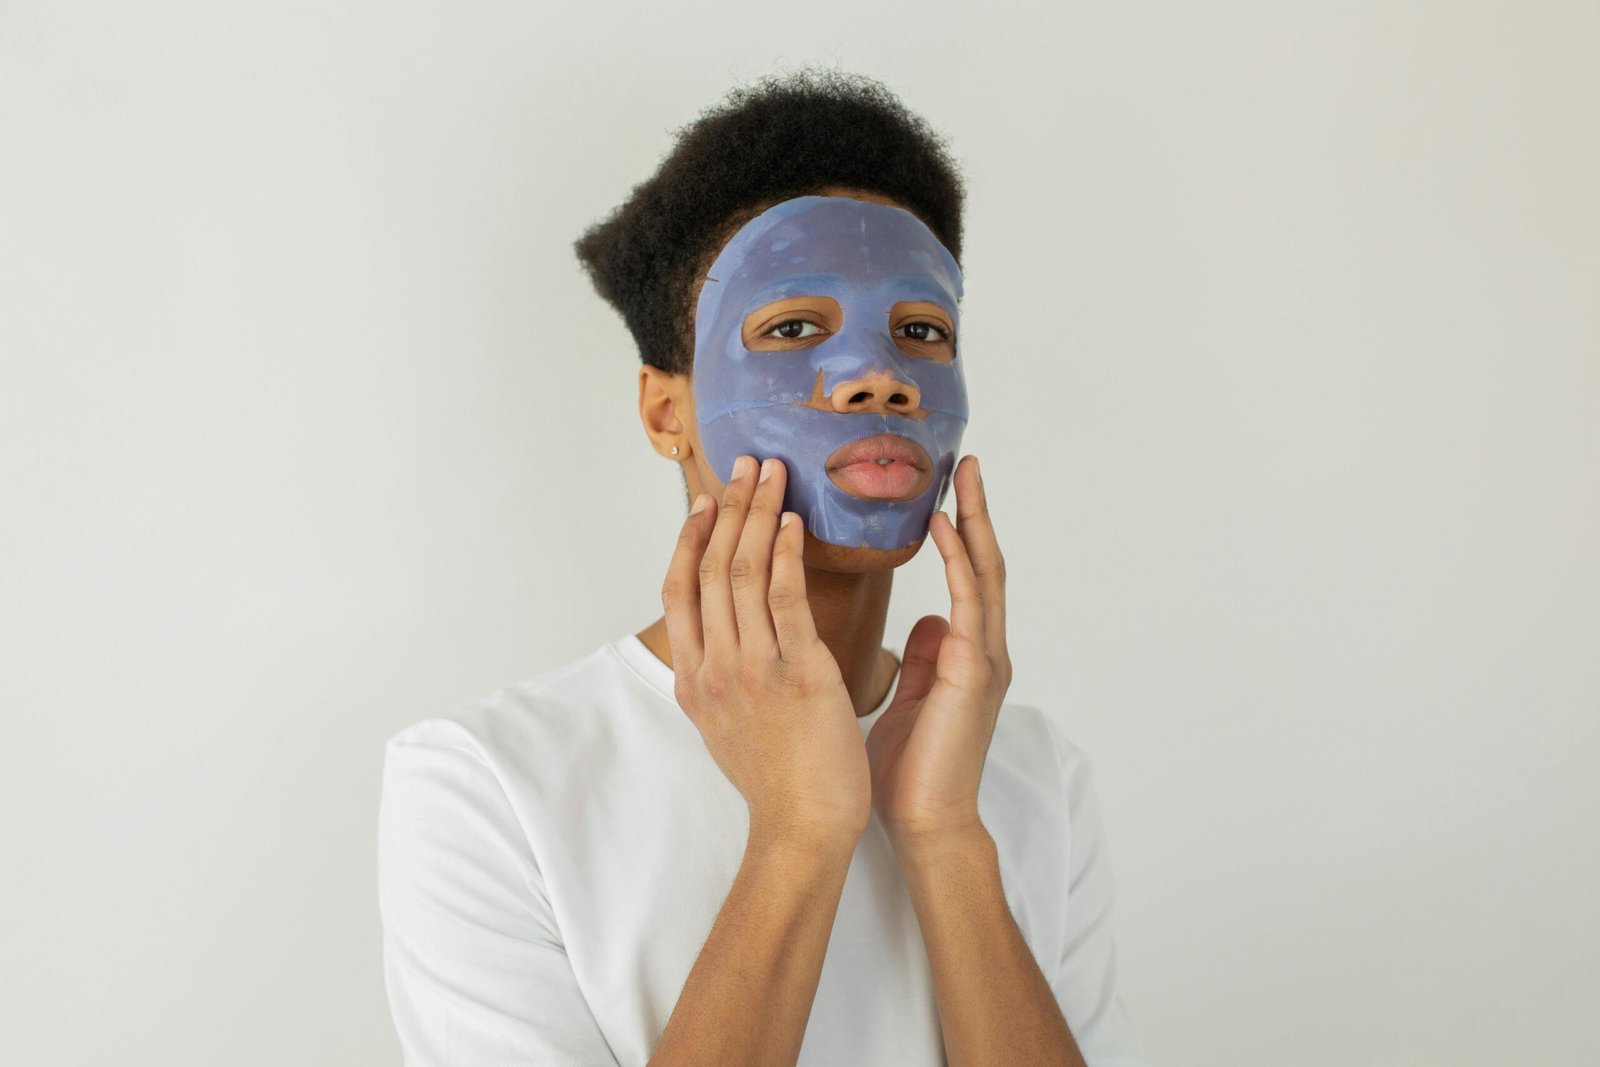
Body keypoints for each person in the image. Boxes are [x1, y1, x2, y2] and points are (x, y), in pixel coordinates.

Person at [378, 69, 1149, 1066]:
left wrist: (946, 838)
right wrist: (799, 829)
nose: (882, 374)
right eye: (792, 328)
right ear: (667, 411)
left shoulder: (1031, 775)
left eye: (921, 331)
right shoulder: (489, 787)